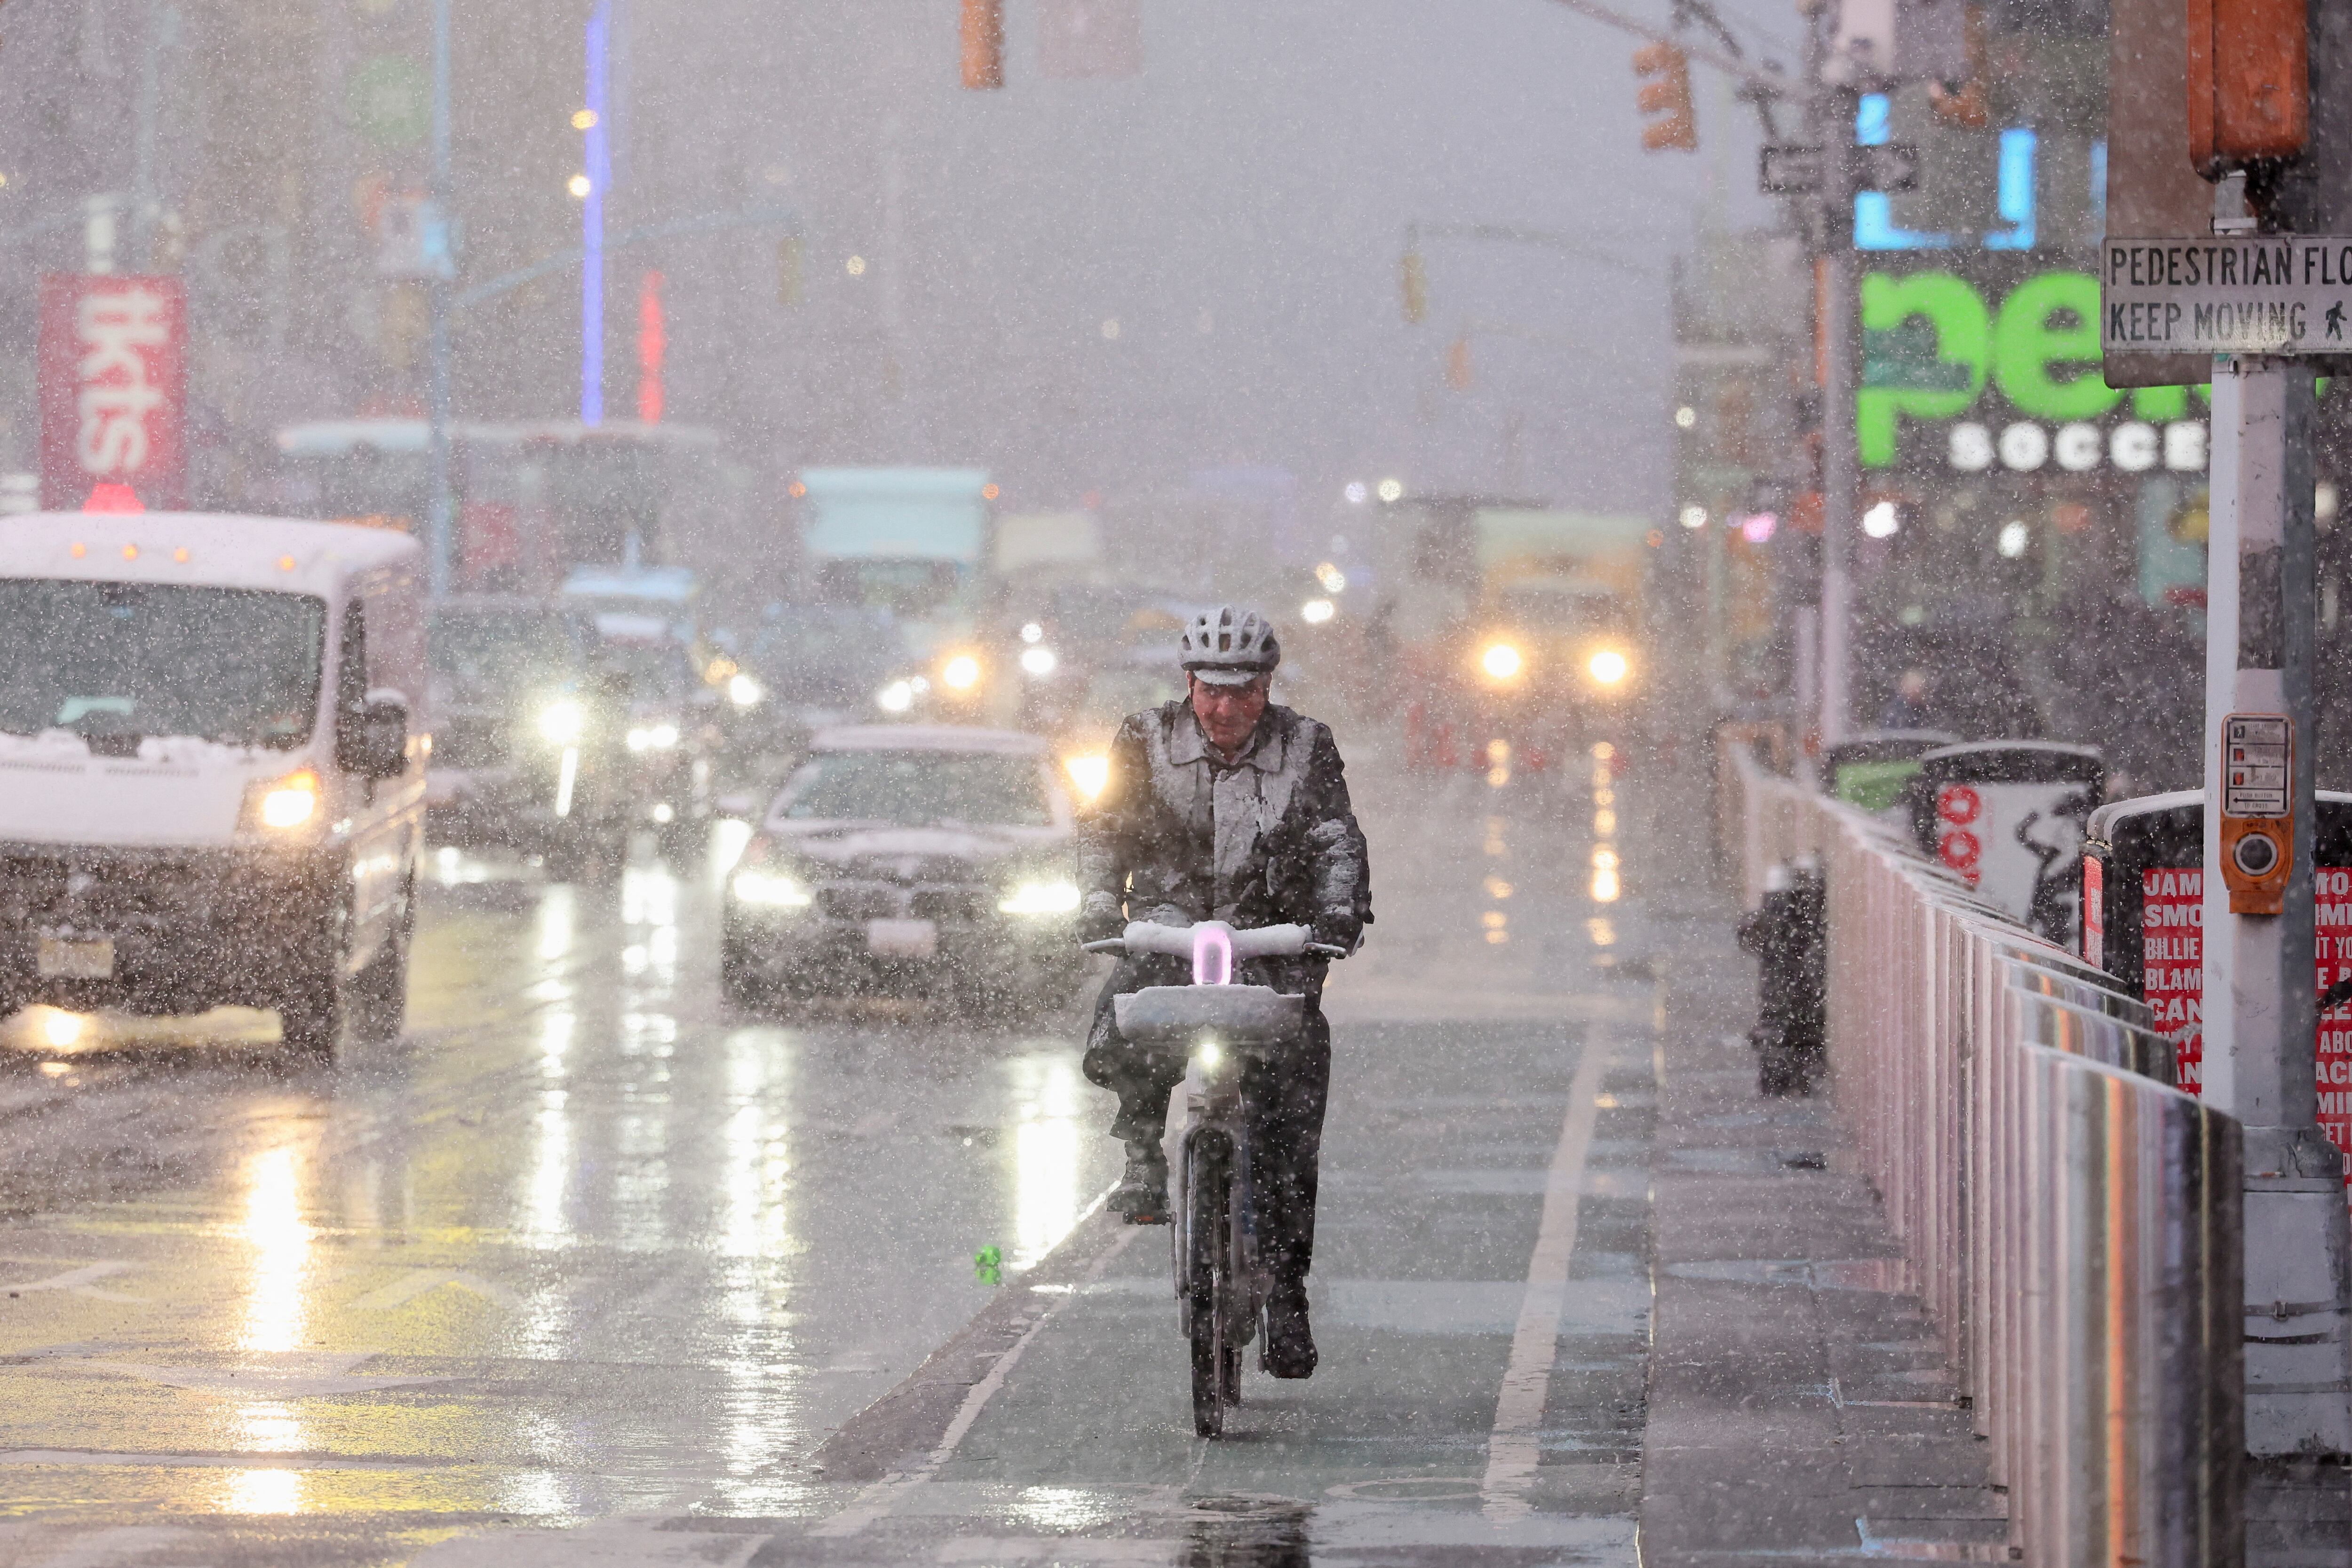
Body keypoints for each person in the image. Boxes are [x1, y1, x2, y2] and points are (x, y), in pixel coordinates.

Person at [1075, 605, 1372, 1378]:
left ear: (1267, 686)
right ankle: (1142, 1152)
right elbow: (1106, 830)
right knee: (1127, 1010)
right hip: (1172, 930)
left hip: (1271, 941)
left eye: (1243, 690)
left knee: (1290, 1114)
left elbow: (1336, 839)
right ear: (1189, 684)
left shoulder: (1306, 746)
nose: (1225, 707)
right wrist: (1100, 902)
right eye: (1211, 690)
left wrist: (1338, 914)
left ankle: (1287, 1294)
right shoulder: (1143, 738)